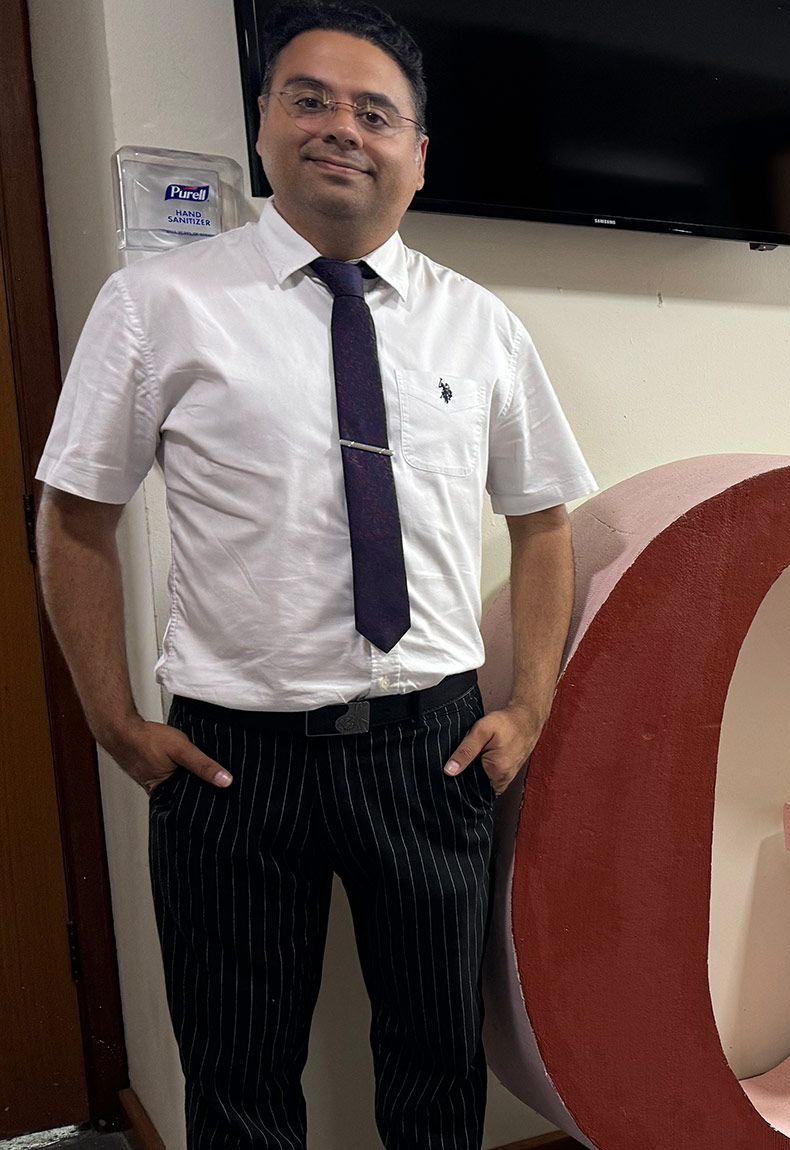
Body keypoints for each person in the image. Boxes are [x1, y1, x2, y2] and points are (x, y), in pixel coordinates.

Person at [33, 2, 595, 1145]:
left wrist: (527, 703)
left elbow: (543, 525)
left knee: (438, 1071)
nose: (342, 126)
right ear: (264, 126)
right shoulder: (159, 306)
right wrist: (113, 723)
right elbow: (74, 519)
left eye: (374, 111)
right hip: (229, 764)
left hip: (430, 753)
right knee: (237, 1082)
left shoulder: (481, 329)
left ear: (417, 155)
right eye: (310, 98)